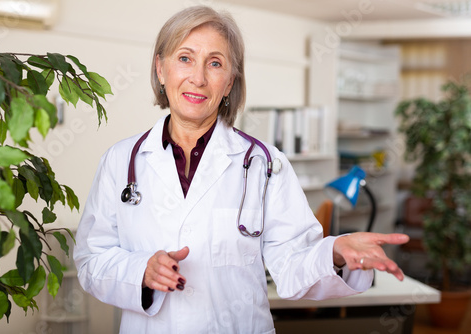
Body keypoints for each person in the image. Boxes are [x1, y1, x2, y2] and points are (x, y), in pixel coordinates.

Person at [73, 5, 409, 333]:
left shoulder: (266, 165)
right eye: (185, 58)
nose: (198, 78)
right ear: (161, 69)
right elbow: (91, 260)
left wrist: (334, 253)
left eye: (215, 63)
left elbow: (293, 263)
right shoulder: (120, 161)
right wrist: (139, 271)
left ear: (231, 81)